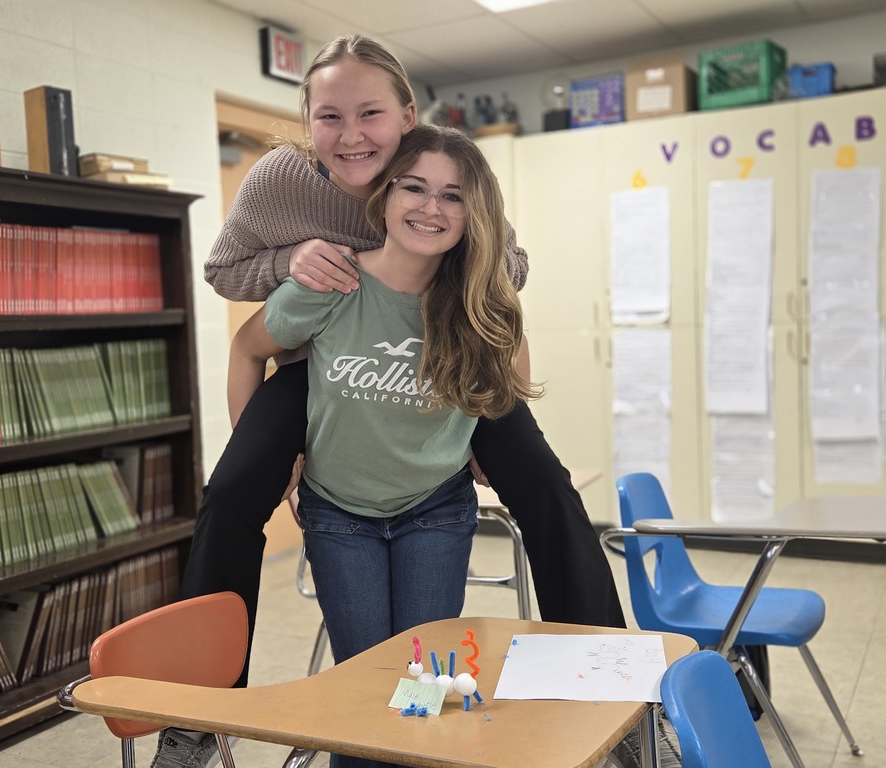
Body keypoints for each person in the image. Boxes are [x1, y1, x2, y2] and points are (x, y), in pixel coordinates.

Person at [151, 34, 625, 768]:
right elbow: (223, 272)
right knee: (233, 491)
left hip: (443, 351)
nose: (350, 135)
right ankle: (199, 716)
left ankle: (610, 697)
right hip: (318, 362)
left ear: (407, 116)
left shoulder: (435, 169)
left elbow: (509, 272)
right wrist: (291, 260)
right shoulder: (281, 180)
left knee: (548, 490)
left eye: (369, 113)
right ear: (306, 122)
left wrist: (452, 257)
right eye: (328, 117)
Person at [239, 123, 535, 768]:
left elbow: (513, 377)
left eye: (454, 196)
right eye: (415, 187)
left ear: (473, 213)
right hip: (338, 514)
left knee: (423, 688)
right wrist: (263, 459)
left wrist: (488, 445)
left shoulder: (479, 300)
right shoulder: (332, 283)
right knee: (366, 688)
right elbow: (247, 348)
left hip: (438, 508)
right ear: (385, 195)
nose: (432, 207)